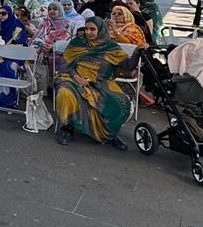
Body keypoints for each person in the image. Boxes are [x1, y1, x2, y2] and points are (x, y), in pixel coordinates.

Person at [53, 17, 140, 150]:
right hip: (73, 78)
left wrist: (138, 53)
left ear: (100, 30)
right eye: (87, 29)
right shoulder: (78, 43)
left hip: (101, 82)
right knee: (65, 92)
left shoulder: (111, 47)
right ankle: (66, 128)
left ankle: (110, 134)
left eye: (92, 29)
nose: (88, 32)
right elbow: (66, 64)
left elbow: (128, 65)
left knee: (121, 100)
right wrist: (78, 78)